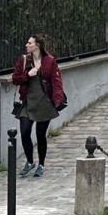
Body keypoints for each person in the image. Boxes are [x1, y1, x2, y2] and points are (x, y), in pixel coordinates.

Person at [11, 34, 64, 178]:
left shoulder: (49, 61)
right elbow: (15, 79)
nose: (27, 45)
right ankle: (29, 161)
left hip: (44, 103)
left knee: (41, 135)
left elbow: (56, 81)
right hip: (27, 102)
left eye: (29, 43)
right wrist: (28, 74)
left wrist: (57, 100)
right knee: (25, 132)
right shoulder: (23, 60)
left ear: (37, 45)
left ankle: (41, 164)